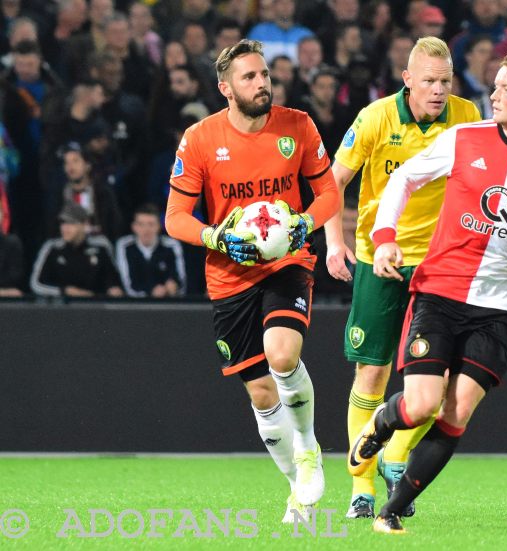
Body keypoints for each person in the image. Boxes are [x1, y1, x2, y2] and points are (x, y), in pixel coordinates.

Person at [348, 44, 507, 534]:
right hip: (439, 291)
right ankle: (379, 427)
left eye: (506, 88)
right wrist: (386, 237)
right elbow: (403, 183)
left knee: (455, 411)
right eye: (495, 84)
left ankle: (391, 511)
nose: (493, 93)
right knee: (418, 404)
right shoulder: (465, 137)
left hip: (497, 307)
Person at [164, 39, 338, 522]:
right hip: (228, 274)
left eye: (264, 74)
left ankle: (308, 447)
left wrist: (304, 223)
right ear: (225, 88)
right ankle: (297, 487)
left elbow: (328, 193)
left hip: (287, 260)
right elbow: (175, 216)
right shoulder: (199, 138)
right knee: (261, 394)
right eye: (249, 77)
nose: (262, 83)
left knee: (283, 355)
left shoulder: (297, 125)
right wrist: (215, 237)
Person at [324, 36, 481, 520]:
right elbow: (333, 182)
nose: (438, 90)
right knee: (371, 372)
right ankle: (361, 487)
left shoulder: (468, 116)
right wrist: (334, 242)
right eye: (429, 81)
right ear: (407, 79)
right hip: (379, 258)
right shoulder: (375, 118)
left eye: (445, 81)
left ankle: (395, 458)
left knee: (441, 378)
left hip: (439, 263)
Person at [30, 203, 123, 298]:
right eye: (63, 223)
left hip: (94, 305)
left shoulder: (101, 245)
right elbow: (36, 284)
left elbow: (112, 279)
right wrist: (64, 291)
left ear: (85, 225)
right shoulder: (52, 247)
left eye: (71, 223)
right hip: (61, 307)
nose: (65, 228)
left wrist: (113, 289)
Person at [116, 203, 186, 298]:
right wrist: (151, 292)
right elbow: (128, 285)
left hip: (167, 302)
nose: (146, 229)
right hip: (136, 305)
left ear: (159, 226)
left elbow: (180, 281)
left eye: (151, 224)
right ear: (134, 227)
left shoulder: (171, 245)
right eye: (141, 224)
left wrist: (173, 286)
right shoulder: (125, 246)